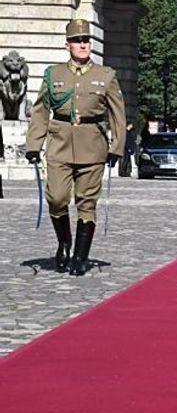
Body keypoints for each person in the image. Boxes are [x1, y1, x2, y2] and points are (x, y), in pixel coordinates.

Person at [24, 18, 125, 275]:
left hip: (93, 145)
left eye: (86, 40)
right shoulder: (53, 74)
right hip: (59, 145)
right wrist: (34, 144)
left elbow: (118, 115)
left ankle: (80, 257)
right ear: (67, 45)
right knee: (56, 198)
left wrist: (116, 147)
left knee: (86, 202)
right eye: (78, 40)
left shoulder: (106, 75)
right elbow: (40, 111)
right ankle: (64, 242)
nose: (83, 44)